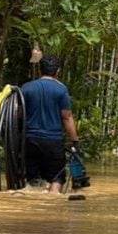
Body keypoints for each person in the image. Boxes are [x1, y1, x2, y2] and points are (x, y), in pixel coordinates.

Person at [20, 54, 79, 193]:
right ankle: (52, 206)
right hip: (53, 141)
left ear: (39, 70)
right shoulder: (61, 90)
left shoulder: (26, 88)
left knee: (32, 180)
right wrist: (74, 140)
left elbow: (19, 114)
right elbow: (67, 117)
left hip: (30, 140)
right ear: (58, 71)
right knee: (56, 178)